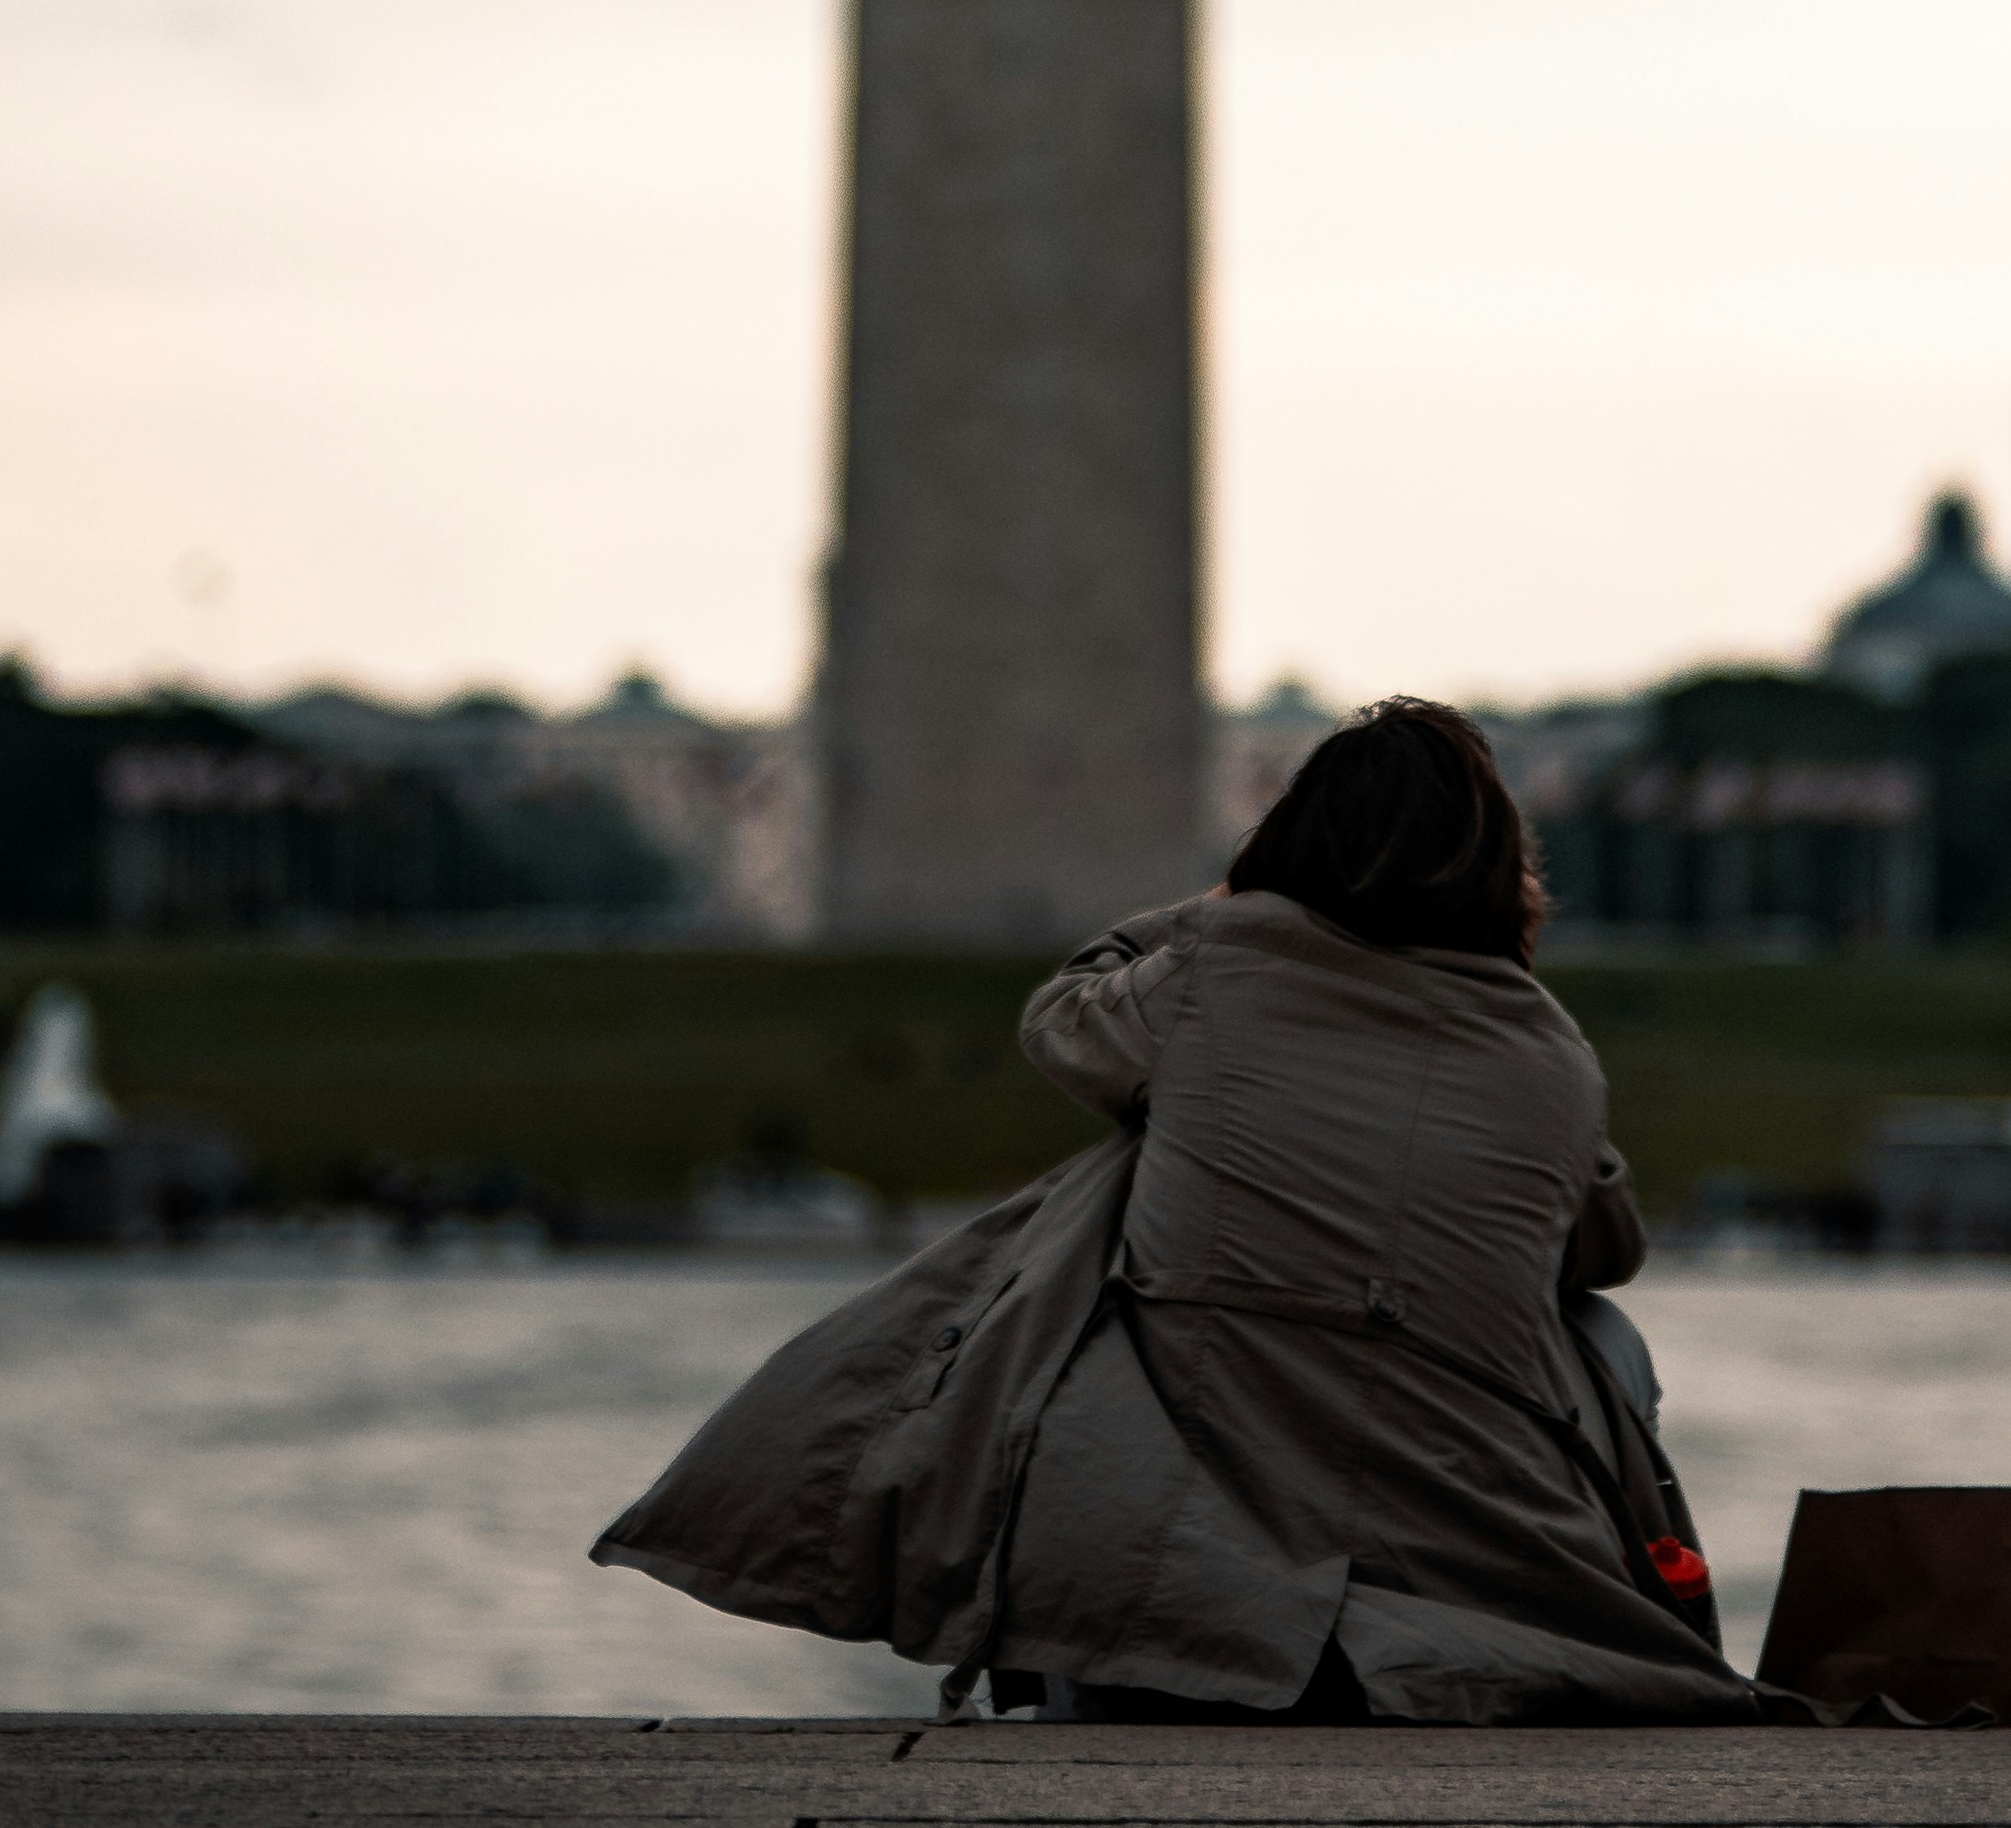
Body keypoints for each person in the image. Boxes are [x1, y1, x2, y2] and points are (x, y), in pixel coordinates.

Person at [593, 698, 1770, 1721]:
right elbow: (1602, 1250)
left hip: (1204, 1442)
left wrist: (1211, 910)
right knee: (1602, 1334)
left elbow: (1063, 1019)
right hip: (1474, 1476)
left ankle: (1108, 1606)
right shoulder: (1545, 1047)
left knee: (1109, 1193)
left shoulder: (1213, 965)